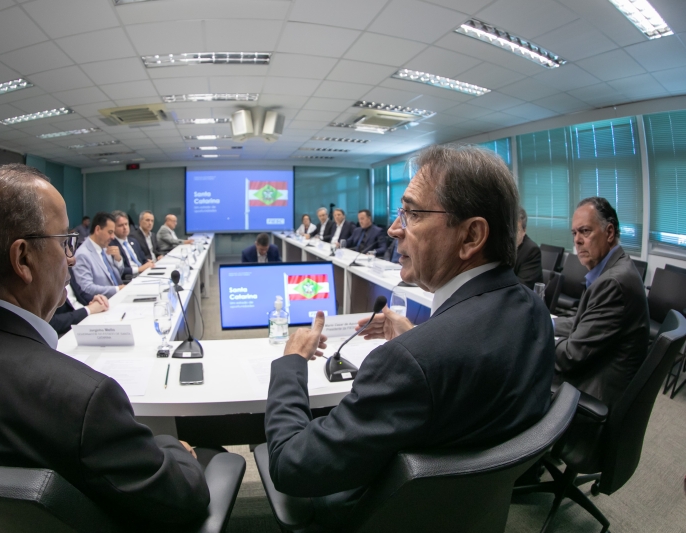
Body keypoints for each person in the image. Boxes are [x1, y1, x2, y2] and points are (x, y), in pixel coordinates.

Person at [264, 145, 554, 528]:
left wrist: (291, 362)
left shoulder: (408, 362)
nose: (394, 229)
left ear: (471, 236)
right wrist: (419, 337)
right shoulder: (534, 311)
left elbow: (290, 464)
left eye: (413, 214)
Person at [0, 164, 210, 530]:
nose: (71, 258)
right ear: (23, 259)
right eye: (64, 243)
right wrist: (173, 447)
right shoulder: (82, 398)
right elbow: (182, 496)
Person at [553, 197, 649, 408]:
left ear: (609, 232)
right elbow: (585, 323)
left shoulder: (613, 283)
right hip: (597, 373)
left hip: (595, 394)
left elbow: (571, 356)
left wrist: (534, 338)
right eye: (574, 233)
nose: (577, 240)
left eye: (585, 231)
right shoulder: (614, 269)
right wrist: (547, 323)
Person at [72, 212, 125, 297]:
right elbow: (86, 288)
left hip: (119, 295)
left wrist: (118, 260)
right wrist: (117, 289)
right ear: (97, 229)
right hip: (106, 301)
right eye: (110, 232)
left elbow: (117, 276)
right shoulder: (82, 255)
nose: (113, 237)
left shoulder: (104, 248)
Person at [110, 210, 154, 278]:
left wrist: (148, 263)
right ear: (113, 228)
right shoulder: (111, 245)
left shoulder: (133, 241)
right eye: (120, 225)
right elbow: (119, 270)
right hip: (130, 278)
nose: (125, 228)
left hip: (144, 274)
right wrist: (139, 269)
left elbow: (143, 259)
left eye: (126, 224)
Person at [514, 206, 543, 289]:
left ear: (524, 231)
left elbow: (521, 288)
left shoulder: (531, 251)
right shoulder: (499, 247)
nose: (511, 235)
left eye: (515, 230)